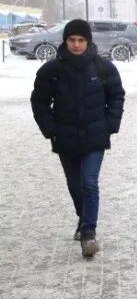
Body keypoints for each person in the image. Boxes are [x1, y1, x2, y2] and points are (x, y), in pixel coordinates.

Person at [30, 19, 125, 258]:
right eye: (71, 40)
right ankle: (83, 220)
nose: (76, 44)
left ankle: (88, 233)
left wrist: (110, 125)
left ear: (88, 41)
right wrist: (50, 129)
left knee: (89, 182)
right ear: (65, 41)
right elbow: (39, 102)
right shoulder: (51, 71)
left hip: (95, 137)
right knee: (75, 186)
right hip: (65, 138)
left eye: (81, 40)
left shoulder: (104, 68)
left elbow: (116, 97)